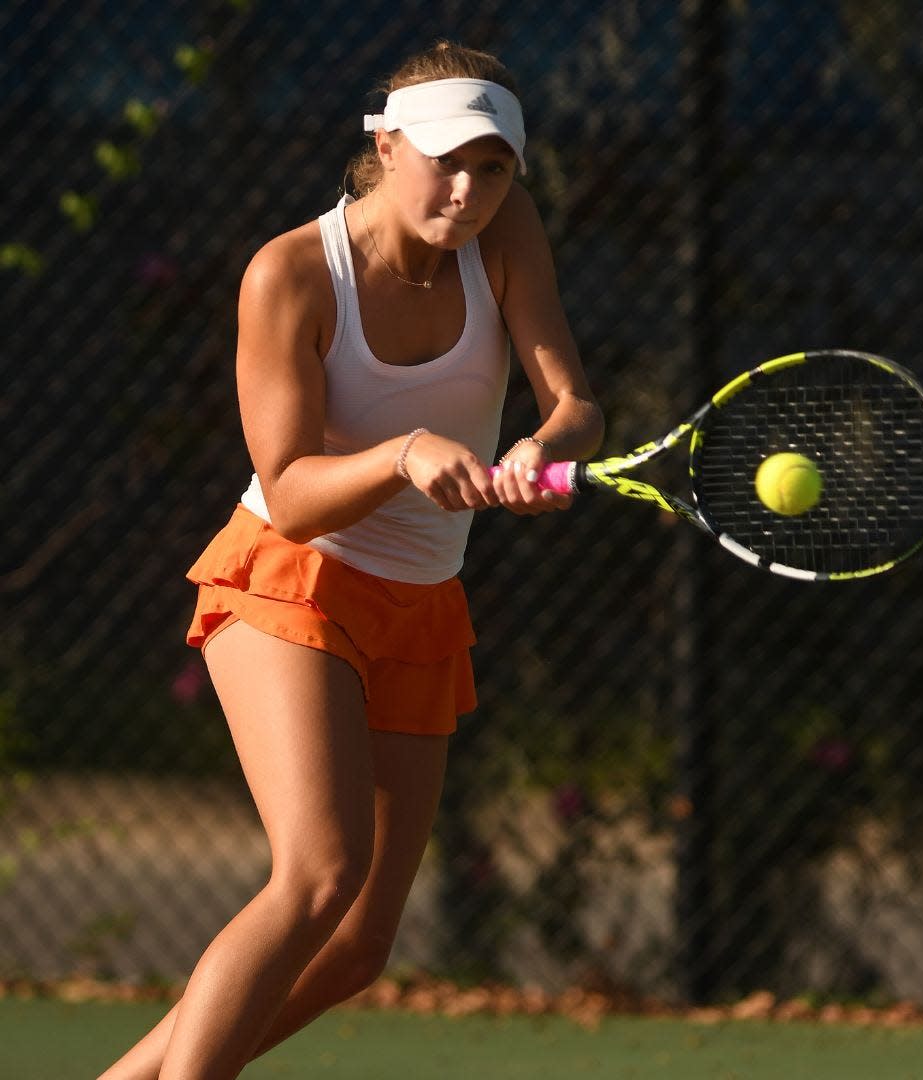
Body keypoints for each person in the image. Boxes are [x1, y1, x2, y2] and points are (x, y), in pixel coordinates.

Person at [101, 41, 602, 1080]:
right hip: (290, 581)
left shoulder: (502, 234)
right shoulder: (289, 273)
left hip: (420, 604)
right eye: (445, 160)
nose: (469, 190)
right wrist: (407, 454)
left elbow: (574, 404)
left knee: (358, 946)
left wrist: (540, 449)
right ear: (385, 144)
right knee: (319, 875)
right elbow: (287, 488)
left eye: (495, 166)